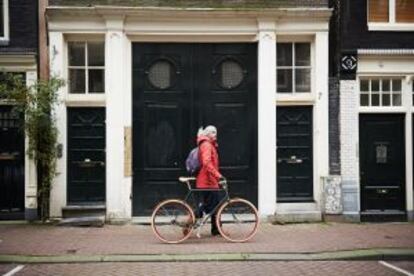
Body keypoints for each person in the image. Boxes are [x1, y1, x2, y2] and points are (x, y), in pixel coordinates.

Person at [195, 125, 226, 236]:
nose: (215, 134)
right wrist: (218, 176)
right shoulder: (207, 145)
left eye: (215, 132)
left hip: (210, 181)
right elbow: (207, 163)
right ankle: (189, 221)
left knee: (215, 206)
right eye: (212, 132)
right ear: (207, 134)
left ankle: (216, 229)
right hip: (207, 182)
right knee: (210, 206)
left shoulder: (209, 144)